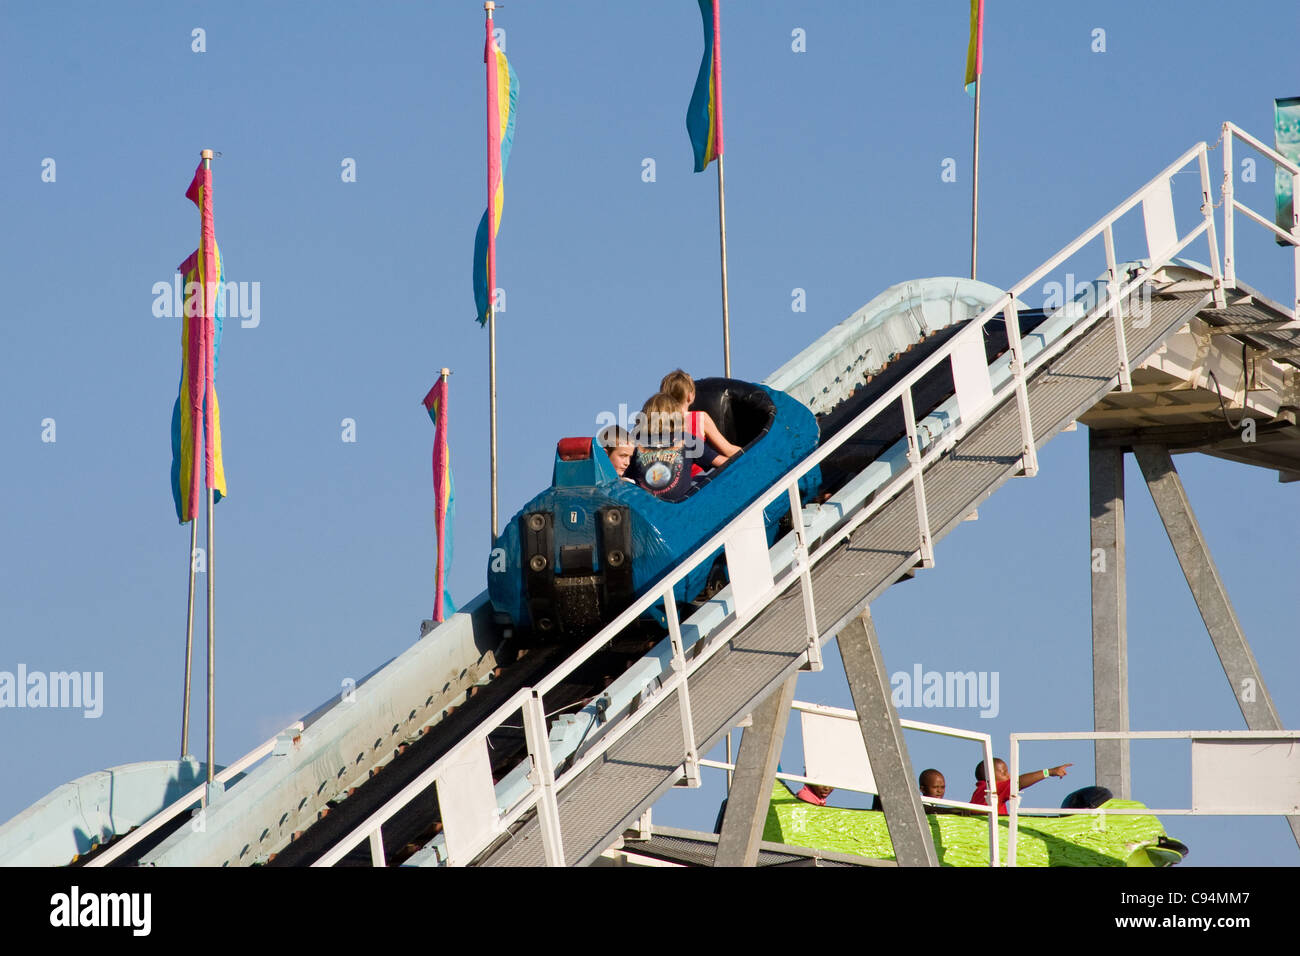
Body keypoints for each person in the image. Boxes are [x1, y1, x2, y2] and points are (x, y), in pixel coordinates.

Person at [659, 369, 742, 474]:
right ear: (690, 396)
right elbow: (727, 450)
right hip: (697, 478)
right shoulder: (699, 418)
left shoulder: (657, 422)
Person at [628, 393, 694, 502]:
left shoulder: (633, 441)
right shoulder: (687, 439)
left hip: (643, 507)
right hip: (680, 508)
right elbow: (723, 462)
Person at [970, 758, 1072, 815]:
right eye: (1004, 772)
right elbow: (1017, 783)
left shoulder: (978, 793)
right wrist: (1049, 772)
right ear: (990, 775)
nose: (1009, 776)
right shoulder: (993, 789)